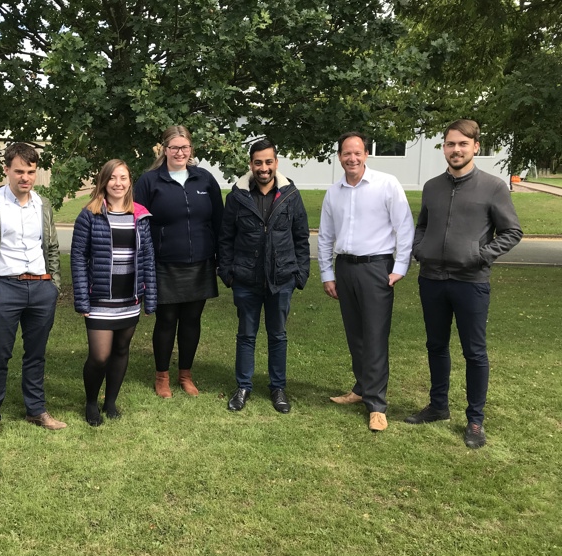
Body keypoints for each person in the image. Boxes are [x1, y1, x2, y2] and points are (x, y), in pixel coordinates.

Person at [406, 119, 523, 448]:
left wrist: (480, 255)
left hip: (471, 282)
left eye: (462, 144)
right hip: (431, 279)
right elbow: (422, 225)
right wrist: (420, 248)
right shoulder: (432, 187)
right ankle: (438, 406)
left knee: (474, 352)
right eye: (449, 144)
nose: (455, 149)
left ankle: (475, 420)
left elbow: (512, 231)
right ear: (444, 147)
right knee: (436, 346)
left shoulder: (493, 186)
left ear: (475, 147)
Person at [317, 132, 415, 432]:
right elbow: (325, 236)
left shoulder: (387, 184)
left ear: (366, 154)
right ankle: (360, 389)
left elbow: (405, 227)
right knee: (355, 335)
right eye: (347, 153)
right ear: (339, 156)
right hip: (345, 269)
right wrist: (327, 273)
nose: (352, 158)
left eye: (357, 153)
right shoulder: (334, 192)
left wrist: (399, 267)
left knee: (374, 336)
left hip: (376, 268)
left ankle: (376, 404)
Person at [0, 142, 65, 444]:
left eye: (31, 171)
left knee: (36, 354)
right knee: (0, 354)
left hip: (40, 288)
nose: (26, 177)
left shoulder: (42, 205)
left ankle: (36, 409)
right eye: (19, 171)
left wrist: (54, 285)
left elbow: (50, 247)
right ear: (6, 170)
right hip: (5, 289)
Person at [218, 138, 310, 413]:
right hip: (245, 279)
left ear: (276, 163)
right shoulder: (237, 197)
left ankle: (277, 388)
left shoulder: (291, 195)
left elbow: (301, 238)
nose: (263, 168)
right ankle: (243, 386)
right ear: (251, 165)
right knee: (246, 335)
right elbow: (225, 239)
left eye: (268, 162)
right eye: (258, 162)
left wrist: (299, 275)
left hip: (281, 279)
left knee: (278, 335)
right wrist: (228, 274)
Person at [134, 125, 224, 398]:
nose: (180, 152)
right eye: (174, 147)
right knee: (166, 320)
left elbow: (218, 222)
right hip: (163, 263)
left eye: (185, 147)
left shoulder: (205, 180)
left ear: (191, 150)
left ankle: (185, 374)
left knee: (192, 320)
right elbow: (138, 223)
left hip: (200, 262)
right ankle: (162, 376)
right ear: (164, 149)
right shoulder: (150, 181)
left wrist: (221, 258)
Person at [71, 159, 157, 426]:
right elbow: (77, 258)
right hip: (100, 300)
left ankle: (110, 402)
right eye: (112, 178)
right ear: (104, 182)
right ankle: (91, 402)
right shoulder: (90, 214)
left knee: (121, 349)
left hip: (128, 298)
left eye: (123, 177)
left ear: (130, 181)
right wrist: (82, 298)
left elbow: (148, 258)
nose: (118, 183)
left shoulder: (140, 215)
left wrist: (150, 297)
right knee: (99, 356)